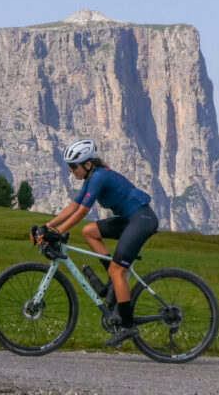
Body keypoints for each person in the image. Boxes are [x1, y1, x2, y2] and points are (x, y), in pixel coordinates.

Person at [38, 139, 159, 347]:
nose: (70, 171)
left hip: (141, 220)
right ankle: (112, 286)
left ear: (87, 164)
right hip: (129, 219)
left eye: (73, 166)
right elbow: (73, 207)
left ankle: (127, 326)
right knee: (89, 231)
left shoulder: (99, 177)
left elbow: (83, 211)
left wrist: (58, 232)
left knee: (117, 271)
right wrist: (47, 226)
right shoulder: (91, 177)